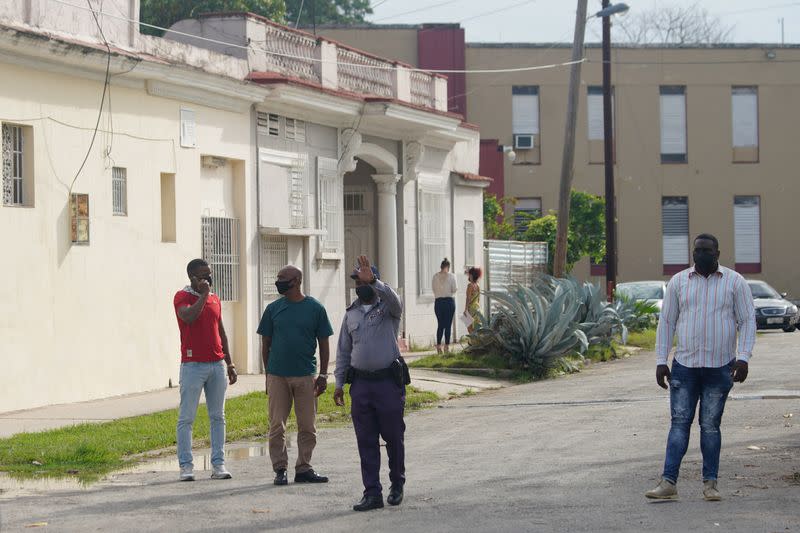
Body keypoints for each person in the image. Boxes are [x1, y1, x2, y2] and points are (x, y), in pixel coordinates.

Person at [645, 234, 756, 501]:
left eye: (706, 250)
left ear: (718, 253)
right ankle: (668, 482)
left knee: (710, 426)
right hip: (685, 366)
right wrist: (661, 360)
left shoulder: (735, 282)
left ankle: (710, 484)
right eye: (697, 251)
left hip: (720, 368)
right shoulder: (679, 282)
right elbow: (667, 323)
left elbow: (748, 320)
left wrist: (743, 358)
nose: (701, 255)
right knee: (679, 424)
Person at [334, 256, 407, 512]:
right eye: (357, 281)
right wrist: (339, 383)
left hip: (387, 382)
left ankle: (396, 483)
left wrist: (375, 282)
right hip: (362, 385)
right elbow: (344, 350)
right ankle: (372, 492)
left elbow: (396, 302)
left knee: (393, 437)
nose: (359, 285)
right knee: (365, 440)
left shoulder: (388, 308)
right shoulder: (351, 314)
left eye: (363, 280)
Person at [257, 265, 334, 486]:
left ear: (297, 280)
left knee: (307, 425)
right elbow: (266, 343)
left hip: (306, 375)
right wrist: (268, 374)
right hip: (278, 376)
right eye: (278, 277)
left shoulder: (315, 309)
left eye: (283, 278)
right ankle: (279, 469)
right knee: (276, 425)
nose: (279, 281)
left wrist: (323, 375)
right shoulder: (273, 309)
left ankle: (304, 468)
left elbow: (324, 343)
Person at [173, 258, 238, 482]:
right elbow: (188, 317)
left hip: (217, 364)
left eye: (209, 274)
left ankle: (218, 465)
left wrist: (229, 363)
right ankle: (186, 466)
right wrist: (202, 295)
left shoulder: (214, 299)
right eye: (202, 275)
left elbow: (221, 332)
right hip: (192, 366)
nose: (207, 279)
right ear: (191, 276)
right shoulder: (182, 297)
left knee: (218, 416)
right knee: (187, 418)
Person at [432, 258, 458, 354]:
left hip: (438, 302)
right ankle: (446, 346)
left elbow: (434, 289)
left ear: (441, 266)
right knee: (448, 325)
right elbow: (454, 289)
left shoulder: (435, 276)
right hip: (449, 301)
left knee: (440, 325)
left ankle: (439, 346)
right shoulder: (451, 276)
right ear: (448, 267)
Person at [465, 266, 482, 334]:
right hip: (477, 308)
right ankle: (475, 341)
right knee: (475, 327)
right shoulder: (478, 286)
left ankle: (473, 342)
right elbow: (478, 299)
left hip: (470, 308)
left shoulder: (470, 285)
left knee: (469, 327)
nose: (468, 275)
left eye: (469, 274)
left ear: (472, 275)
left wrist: (465, 309)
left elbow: (468, 298)